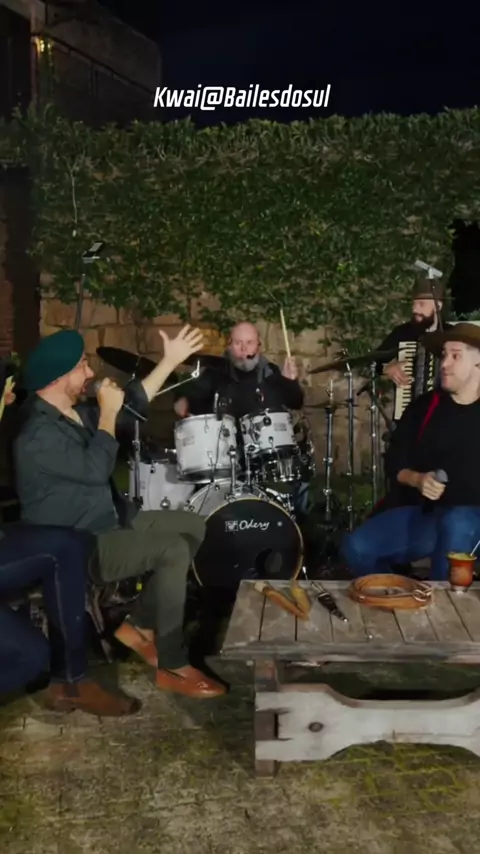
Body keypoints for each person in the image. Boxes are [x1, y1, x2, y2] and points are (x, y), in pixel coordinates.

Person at [14, 325, 226, 699]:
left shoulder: (74, 413)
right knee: (174, 548)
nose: (91, 373)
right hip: (78, 544)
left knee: (194, 524)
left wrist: (169, 362)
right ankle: (172, 664)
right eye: (82, 366)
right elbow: (96, 469)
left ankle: (138, 624)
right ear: (59, 377)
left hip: (110, 518)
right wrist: (108, 415)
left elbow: (133, 402)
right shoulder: (36, 436)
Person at [0, 363, 139, 714]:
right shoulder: (34, 432)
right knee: (28, 656)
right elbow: (94, 470)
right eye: (6, 388)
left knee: (66, 546)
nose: (12, 395)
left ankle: (71, 680)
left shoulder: (17, 421)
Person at [340, 322, 480, 581]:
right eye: (444, 355)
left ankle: (443, 604)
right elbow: (395, 460)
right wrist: (418, 479)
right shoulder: (425, 406)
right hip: (428, 514)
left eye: (455, 356)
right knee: (356, 548)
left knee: (457, 522)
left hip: (472, 520)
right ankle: (400, 595)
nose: (444, 363)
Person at [173, 321, 309, 512]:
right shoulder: (215, 373)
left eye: (249, 343)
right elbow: (188, 393)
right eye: (238, 343)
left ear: (258, 346)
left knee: (295, 478)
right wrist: (182, 399)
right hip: (223, 455)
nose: (244, 349)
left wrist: (290, 382)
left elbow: (296, 402)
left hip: (262, 456)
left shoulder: (270, 372)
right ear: (229, 345)